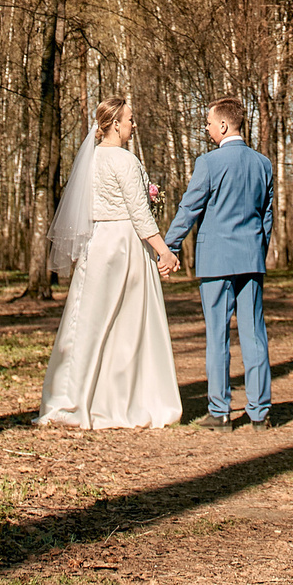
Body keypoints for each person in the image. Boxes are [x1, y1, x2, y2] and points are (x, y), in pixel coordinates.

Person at [39, 96, 183, 428]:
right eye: (131, 119)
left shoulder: (90, 160)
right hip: (124, 246)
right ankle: (124, 399)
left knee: (89, 322)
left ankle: (76, 395)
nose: (134, 124)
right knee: (128, 326)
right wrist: (164, 250)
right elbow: (139, 214)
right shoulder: (125, 160)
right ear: (116, 123)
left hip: (96, 244)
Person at [163, 97, 276, 429]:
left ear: (224, 125)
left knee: (218, 336)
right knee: (254, 334)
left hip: (215, 263)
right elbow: (266, 218)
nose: (208, 128)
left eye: (210, 123)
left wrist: (169, 247)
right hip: (251, 260)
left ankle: (220, 411)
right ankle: (260, 413)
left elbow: (189, 209)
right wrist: (257, 248)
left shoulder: (209, 163)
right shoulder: (263, 164)